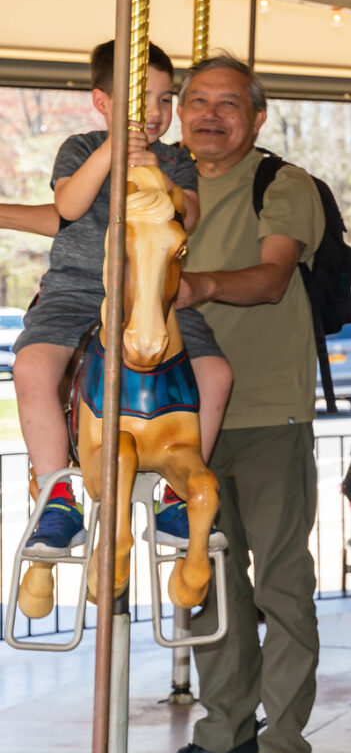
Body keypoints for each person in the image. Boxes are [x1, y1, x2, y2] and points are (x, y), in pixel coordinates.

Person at [139, 54, 326, 753]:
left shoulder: (282, 185)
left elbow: (274, 275)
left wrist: (204, 285)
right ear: (180, 113)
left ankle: (283, 749)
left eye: (228, 104)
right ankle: (224, 733)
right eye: (196, 102)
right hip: (185, 419)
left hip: (269, 409)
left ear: (256, 118)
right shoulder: (160, 190)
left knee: (279, 583)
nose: (209, 114)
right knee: (209, 580)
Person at [15, 40, 233, 558]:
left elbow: (190, 215)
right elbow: (67, 205)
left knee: (217, 374)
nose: (154, 115)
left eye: (163, 101)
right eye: (140, 103)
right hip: (79, 289)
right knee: (31, 368)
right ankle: (57, 494)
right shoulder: (79, 146)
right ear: (103, 103)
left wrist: (152, 172)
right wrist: (111, 151)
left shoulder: (176, 160)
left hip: (151, 294)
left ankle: (176, 497)